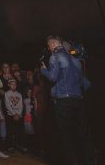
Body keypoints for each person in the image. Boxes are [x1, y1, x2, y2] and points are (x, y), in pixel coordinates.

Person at [40, 35, 93, 165]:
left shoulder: (55, 56)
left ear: (52, 44)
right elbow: (86, 84)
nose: (49, 49)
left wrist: (43, 70)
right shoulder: (75, 59)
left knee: (65, 135)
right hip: (78, 100)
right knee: (81, 134)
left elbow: (52, 77)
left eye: (49, 46)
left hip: (64, 101)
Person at [4, 79, 25, 152]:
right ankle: (9, 146)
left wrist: (18, 114)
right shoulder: (7, 94)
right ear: (9, 85)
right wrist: (13, 114)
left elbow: (21, 105)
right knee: (10, 131)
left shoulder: (19, 94)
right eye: (12, 84)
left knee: (18, 131)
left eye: (15, 84)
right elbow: (7, 105)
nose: (14, 86)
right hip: (10, 115)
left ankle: (18, 145)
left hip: (18, 116)